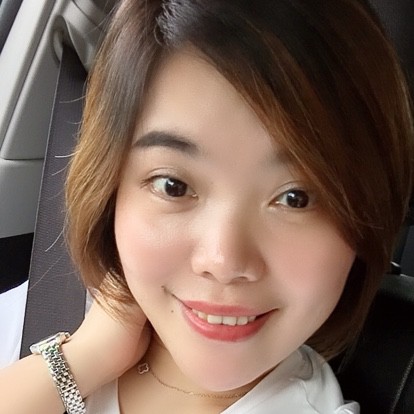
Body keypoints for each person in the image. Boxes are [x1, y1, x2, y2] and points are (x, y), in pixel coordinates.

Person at [1, 0, 413, 413]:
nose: (223, 261)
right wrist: (82, 359)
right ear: (111, 185)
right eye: (174, 186)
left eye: (296, 198)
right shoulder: (34, 309)